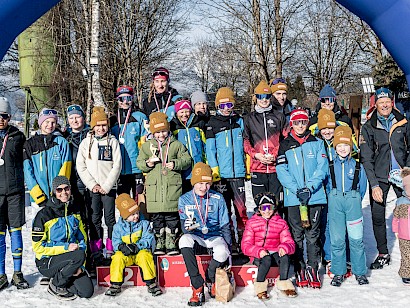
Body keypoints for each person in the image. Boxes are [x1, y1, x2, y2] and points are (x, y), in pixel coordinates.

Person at [276, 108, 329, 288]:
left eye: (303, 122)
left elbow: (322, 168)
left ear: (308, 123)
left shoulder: (317, 142)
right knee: (296, 234)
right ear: (292, 124)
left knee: (313, 235)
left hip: (314, 197)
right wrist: (297, 189)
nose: (300, 125)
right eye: (297, 122)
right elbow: (282, 171)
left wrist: (309, 187)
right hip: (294, 198)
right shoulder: (285, 144)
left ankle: (312, 268)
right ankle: (299, 267)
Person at [361, 87, 410, 269]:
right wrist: (374, 185)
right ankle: (383, 253)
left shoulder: (403, 122)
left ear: (392, 102)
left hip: (402, 174)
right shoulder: (369, 126)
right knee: (378, 215)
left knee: (407, 215)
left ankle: (408, 257)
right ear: (376, 104)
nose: (384, 105)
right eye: (381, 102)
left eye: (387, 102)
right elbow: (366, 157)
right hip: (380, 176)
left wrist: (407, 170)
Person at [136, 112, 191, 255]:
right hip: (154, 190)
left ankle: (171, 242)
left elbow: (187, 160)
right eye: (157, 132)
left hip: (172, 188)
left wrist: (176, 163)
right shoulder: (147, 146)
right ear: (153, 133)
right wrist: (148, 163)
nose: (161, 135)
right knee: (157, 218)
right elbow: (140, 163)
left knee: (172, 217)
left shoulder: (176, 145)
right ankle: (160, 242)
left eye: (164, 131)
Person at [178, 162, 231, 306]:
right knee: (183, 240)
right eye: (200, 183)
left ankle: (210, 276)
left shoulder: (218, 198)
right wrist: (188, 227)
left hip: (214, 236)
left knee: (222, 252)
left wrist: (229, 248)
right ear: (194, 182)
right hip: (197, 237)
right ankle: (197, 286)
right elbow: (184, 227)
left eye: (207, 183)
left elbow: (225, 224)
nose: (203, 187)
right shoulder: (184, 199)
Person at [31, 176, 93, 300]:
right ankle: (56, 285)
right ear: (54, 192)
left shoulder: (75, 211)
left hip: (72, 259)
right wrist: (66, 248)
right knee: (78, 256)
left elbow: (82, 239)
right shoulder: (44, 215)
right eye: (59, 190)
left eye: (66, 189)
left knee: (87, 292)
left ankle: (63, 276)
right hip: (47, 261)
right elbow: (38, 248)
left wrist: (79, 266)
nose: (64, 193)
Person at [77, 107, 122, 259]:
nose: (101, 128)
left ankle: (110, 247)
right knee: (94, 218)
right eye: (98, 125)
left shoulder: (113, 142)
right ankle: (96, 248)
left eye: (104, 125)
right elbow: (80, 166)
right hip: (93, 189)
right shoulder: (86, 143)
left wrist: (107, 185)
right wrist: (92, 185)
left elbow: (117, 165)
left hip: (108, 188)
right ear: (93, 126)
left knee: (110, 218)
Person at [206, 87, 247, 254]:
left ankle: (244, 240)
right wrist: (214, 171)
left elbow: (245, 145)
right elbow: (210, 150)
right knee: (224, 211)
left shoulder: (239, 121)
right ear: (217, 106)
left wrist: (247, 166)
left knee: (241, 209)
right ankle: (229, 241)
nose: (226, 108)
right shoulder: (212, 124)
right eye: (222, 105)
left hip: (238, 173)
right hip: (221, 175)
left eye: (229, 104)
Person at [327, 126, 368, 287]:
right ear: (335, 147)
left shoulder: (358, 166)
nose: (343, 148)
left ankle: (360, 272)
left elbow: (362, 188)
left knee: (356, 240)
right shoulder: (330, 165)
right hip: (336, 201)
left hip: (353, 202)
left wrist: (354, 198)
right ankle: (338, 272)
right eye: (339, 145)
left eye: (346, 145)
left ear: (351, 146)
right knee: (337, 240)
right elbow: (327, 184)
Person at [241, 192, 296, 300]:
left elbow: (289, 242)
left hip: (275, 251)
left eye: (269, 207)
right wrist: (258, 251)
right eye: (263, 207)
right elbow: (245, 245)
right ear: (259, 209)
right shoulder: (252, 223)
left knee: (285, 257)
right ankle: (260, 286)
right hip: (259, 254)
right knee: (266, 260)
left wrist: (284, 247)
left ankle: (284, 282)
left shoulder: (281, 223)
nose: (267, 211)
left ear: (274, 208)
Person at [105, 193, 162, 297]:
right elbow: (115, 241)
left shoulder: (144, 223)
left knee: (145, 256)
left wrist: (137, 246)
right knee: (117, 257)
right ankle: (115, 284)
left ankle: (151, 283)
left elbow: (148, 238)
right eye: (132, 215)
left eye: (137, 213)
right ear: (124, 216)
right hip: (126, 254)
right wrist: (121, 247)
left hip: (139, 251)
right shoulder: (118, 227)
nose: (136, 216)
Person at [0, 97, 29, 290]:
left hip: (15, 192)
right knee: (0, 235)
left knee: (16, 232)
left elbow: (26, 162)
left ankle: (17, 273)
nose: (0, 119)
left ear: (9, 117)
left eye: (3, 116)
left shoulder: (18, 137)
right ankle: (1, 274)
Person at [244, 80, 288, 198]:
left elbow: (286, 139)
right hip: (258, 167)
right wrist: (256, 155)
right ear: (256, 98)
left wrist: (275, 154)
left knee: (277, 203)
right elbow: (246, 141)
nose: (264, 100)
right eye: (260, 96)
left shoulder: (279, 116)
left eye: (267, 96)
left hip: (275, 168)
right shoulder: (249, 118)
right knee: (260, 203)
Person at [24, 108, 71, 207]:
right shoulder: (30, 144)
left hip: (58, 197)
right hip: (38, 199)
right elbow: (28, 172)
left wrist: (59, 192)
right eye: (47, 121)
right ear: (40, 122)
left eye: (53, 122)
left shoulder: (61, 142)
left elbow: (66, 167)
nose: (50, 125)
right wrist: (37, 195)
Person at [110, 85, 148, 201]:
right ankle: (124, 220)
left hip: (137, 168)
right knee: (124, 201)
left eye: (128, 98)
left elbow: (145, 143)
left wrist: (145, 165)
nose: (125, 102)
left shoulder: (140, 117)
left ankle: (142, 219)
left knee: (140, 200)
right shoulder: (112, 120)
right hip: (119, 169)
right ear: (118, 100)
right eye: (122, 99)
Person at [170, 99, 207, 193]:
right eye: (181, 112)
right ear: (176, 113)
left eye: (187, 111)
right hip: (182, 171)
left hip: (198, 168)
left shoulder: (198, 124)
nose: (184, 114)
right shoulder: (174, 127)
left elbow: (205, 146)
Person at [64, 104, 90, 217]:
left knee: (92, 215)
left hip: (90, 180)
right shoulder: (64, 137)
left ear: (83, 118)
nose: (75, 120)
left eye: (78, 117)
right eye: (71, 118)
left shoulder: (91, 134)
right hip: (73, 181)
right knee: (77, 215)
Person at [393, 167, 410, 285]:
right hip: (404, 235)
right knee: (406, 255)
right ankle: (406, 273)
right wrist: (396, 230)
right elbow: (396, 218)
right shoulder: (401, 202)